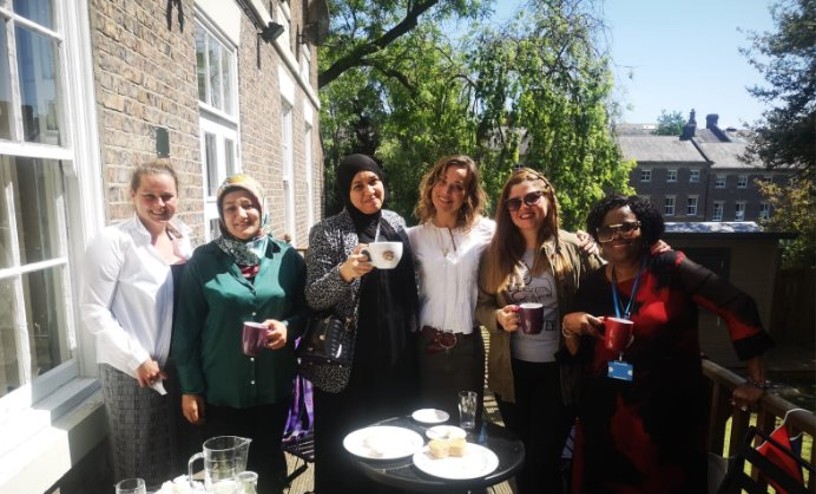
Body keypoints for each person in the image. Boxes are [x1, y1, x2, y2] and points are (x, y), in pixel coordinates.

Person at [562, 194, 774, 493]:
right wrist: (569, 326)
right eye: (607, 230)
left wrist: (755, 379)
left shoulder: (670, 268)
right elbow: (578, 353)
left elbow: (737, 305)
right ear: (598, 237)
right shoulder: (595, 283)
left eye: (627, 226)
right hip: (605, 416)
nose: (617, 236)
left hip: (667, 418)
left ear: (645, 227)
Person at [173, 174, 307, 494]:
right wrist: (190, 389)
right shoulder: (203, 262)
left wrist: (288, 327)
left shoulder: (286, 257)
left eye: (248, 205)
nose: (240, 214)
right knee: (225, 477)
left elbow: (307, 312)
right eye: (230, 207)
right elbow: (186, 330)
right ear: (221, 215)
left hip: (273, 387)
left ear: (262, 209)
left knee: (269, 469)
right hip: (222, 391)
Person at [475, 167, 604, 494]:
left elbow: (608, 289)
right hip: (511, 374)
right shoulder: (496, 254)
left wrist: (603, 251)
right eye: (514, 203)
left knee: (542, 459)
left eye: (532, 197)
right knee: (521, 458)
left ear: (548, 198)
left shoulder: (575, 247)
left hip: (558, 373)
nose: (523, 207)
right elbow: (481, 305)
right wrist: (498, 318)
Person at [305, 153, 420, 494]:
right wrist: (346, 271)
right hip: (349, 361)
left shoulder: (397, 223)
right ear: (345, 191)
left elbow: (409, 288)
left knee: (394, 441)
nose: (369, 190)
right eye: (358, 185)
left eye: (373, 181)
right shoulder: (327, 232)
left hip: (395, 355)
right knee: (347, 444)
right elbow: (313, 296)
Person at [81, 161, 192, 486]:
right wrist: (136, 360)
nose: (160, 205)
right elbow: (93, 310)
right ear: (133, 195)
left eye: (167, 196)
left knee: (175, 463)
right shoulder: (113, 240)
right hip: (133, 372)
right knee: (139, 464)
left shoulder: (181, 236)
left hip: (174, 370)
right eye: (150, 196)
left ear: (178, 197)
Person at [407, 154, 494, 421]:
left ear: (468, 194)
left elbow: (527, 241)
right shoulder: (413, 237)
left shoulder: (488, 232)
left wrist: (583, 240)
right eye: (442, 181)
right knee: (427, 426)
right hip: (426, 349)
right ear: (432, 185)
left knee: (466, 425)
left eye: (458, 186)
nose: (447, 191)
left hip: (467, 351)